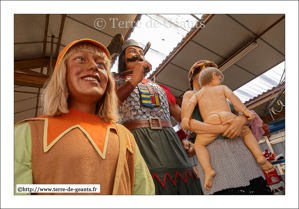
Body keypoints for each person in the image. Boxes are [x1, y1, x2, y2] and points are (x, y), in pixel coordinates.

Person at [14, 38, 155, 195]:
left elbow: (144, 192)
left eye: (101, 64)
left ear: (108, 82)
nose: (94, 66)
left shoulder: (125, 136)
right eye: (80, 59)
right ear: (62, 74)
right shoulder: (27, 132)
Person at [114, 39, 203, 195]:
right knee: (147, 181)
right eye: (132, 52)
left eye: (141, 52)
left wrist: (185, 138)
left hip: (170, 139)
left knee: (184, 177)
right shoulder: (114, 82)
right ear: (123, 60)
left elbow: (183, 118)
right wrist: (134, 80)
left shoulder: (160, 87)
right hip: (136, 140)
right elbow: (109, 105)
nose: (138, 55)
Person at [181, 60, 273, 195]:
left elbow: (242, 112)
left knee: (256, 188)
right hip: (215, 153)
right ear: (194, 77)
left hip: (241, 149)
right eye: (207, 69)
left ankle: (259, 158)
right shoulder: (190, 95)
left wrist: (239, 122)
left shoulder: (221, 93)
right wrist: (222, 129)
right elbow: (190, 124)